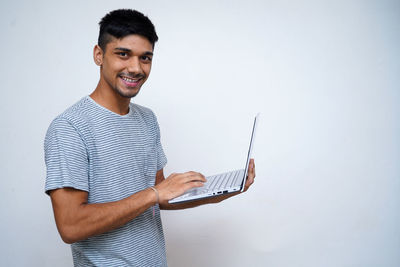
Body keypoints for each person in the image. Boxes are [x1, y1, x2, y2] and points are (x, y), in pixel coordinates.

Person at [44, 9, 256, 267]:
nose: (135, 68)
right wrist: (154, 193)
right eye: (123, 54)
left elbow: (160, 198)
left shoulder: (147, 119)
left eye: (145, 58)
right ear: (98, 55)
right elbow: (70, 225)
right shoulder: (69, 127)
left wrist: (222, 191)